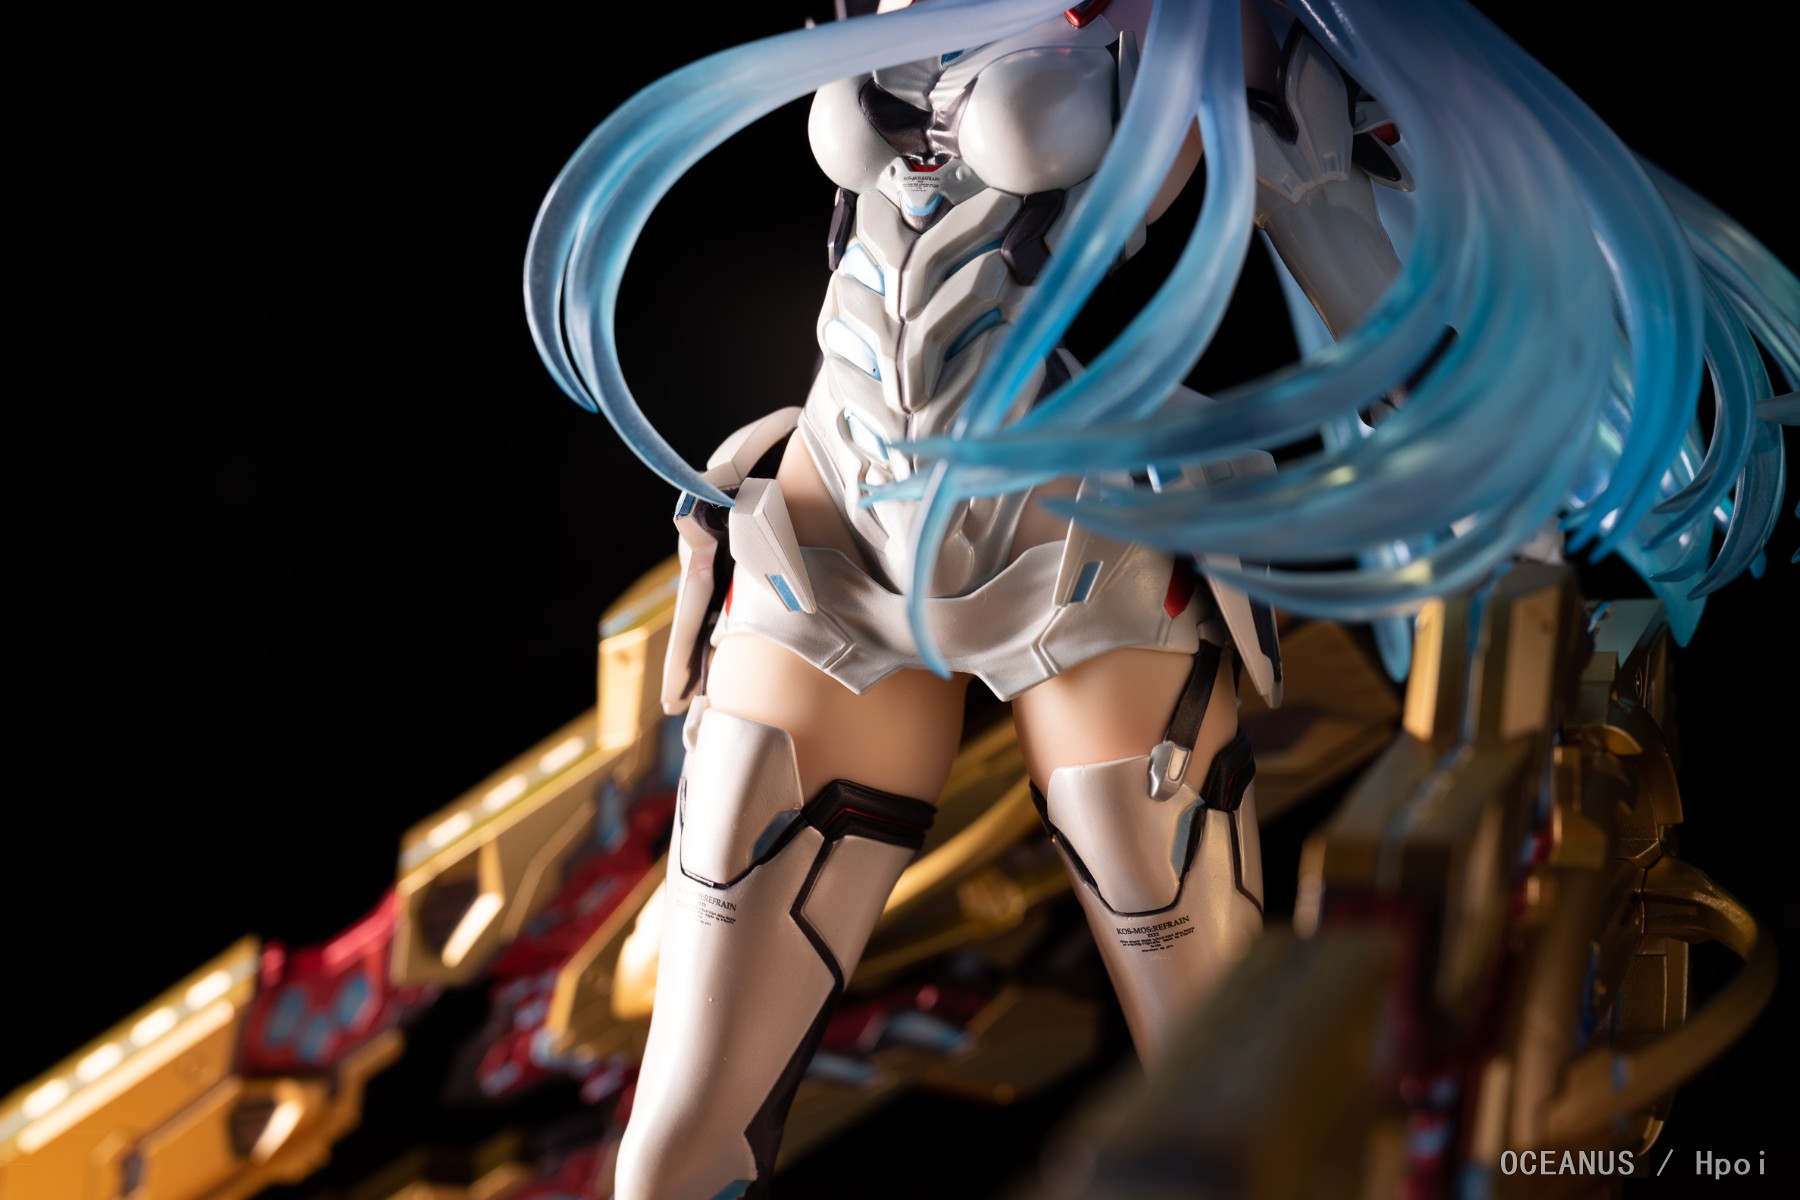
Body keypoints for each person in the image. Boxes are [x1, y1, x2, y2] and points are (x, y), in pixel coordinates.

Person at [523, 2, 1795, 1196]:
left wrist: (1481, 527)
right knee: (675, 1141)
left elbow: (1351, 266)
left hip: (1078, 562)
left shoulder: (1199, 19)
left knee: (1215, 1103)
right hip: (827, 538)